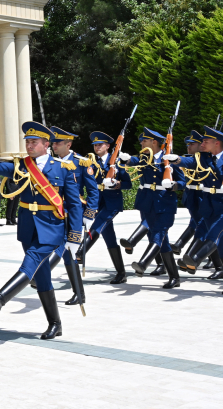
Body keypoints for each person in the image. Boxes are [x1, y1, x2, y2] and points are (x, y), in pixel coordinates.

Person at [0, 122, 82, 340]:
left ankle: (1, 297)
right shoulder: (22, 165)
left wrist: (75, 235)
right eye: (27, 142)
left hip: (52, 226)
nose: (29, 145)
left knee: (33, 258)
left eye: (33, 142)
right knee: (43, 276)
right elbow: (5, 168)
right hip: (28, 225)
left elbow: (75, 204)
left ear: (46, 144)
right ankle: (55, 324)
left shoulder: (62, 168)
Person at [170, 126, 223, 294]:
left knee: (214, 235)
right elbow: (189, 162)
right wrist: (176, 160)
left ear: (216, 143)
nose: (202, 144)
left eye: (205, 141)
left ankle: (195, 259)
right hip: (209, 206)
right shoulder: (203, 158)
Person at [116, 128, 183, 289]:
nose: (141, 143)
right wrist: (126, 160)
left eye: (144, 141)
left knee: (159, 234)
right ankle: (174, 277)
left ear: (154, 142)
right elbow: (135, 161)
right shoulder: (145, 157)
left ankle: (143, 263)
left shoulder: (170, 159)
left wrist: (173, 185)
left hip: (165, 203)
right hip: (147, 202)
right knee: (162, 241)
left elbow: (183, 182)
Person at [45, 127, 100, 306]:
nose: (54, 146)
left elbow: (93, 191)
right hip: (52, 213)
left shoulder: (81, 163)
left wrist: (90, 214)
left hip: (72, 213)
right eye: (53, 142)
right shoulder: (49, 162)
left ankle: (78, 293)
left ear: (68, 144)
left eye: (58, 143)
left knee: (68, 252)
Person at [77, 131, 133, 284]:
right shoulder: (90, 161)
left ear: (108, 146)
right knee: (109, 238)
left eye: (100, 145)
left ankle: (82, 251)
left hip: (112, 203)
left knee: (98, 223)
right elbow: (83, 181)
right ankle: (121, 273)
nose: (97, 147)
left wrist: (117, 184)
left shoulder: (116, 162)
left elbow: (128, 184)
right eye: (95, 145)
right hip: (96, 202)